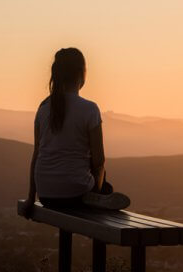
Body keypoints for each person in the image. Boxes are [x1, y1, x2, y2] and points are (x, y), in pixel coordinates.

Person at [21, 48, 130, 218]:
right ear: (81, 74)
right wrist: (97, 190)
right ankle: (98, 197)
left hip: (46, 195)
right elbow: (99, 161)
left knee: (95, 179)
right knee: (105, 183)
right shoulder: (89, 109)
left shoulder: (43, 108)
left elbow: (37, 155)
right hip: (76, 194)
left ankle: (98, 196)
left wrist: (30, 198)